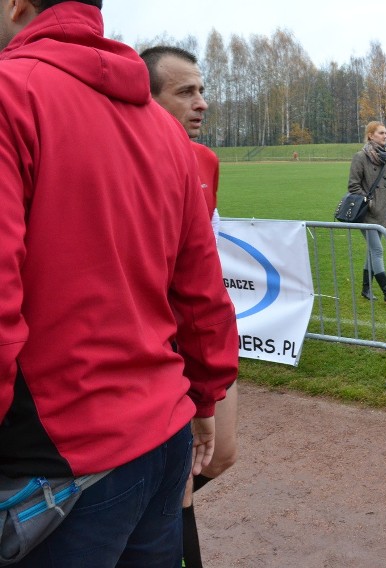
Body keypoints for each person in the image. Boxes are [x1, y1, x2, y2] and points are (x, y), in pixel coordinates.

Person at [0, 2, 239, 567]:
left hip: (61, 462)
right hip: (159, 438)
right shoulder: (163, 129)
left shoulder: (12, 94)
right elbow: (202, 292)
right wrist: (204, 395)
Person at [140, 45, 238, 568]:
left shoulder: (206, 161)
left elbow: (207, 257)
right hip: (160, 341)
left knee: (221, 456)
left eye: (202, 90)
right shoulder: (131, 154)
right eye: (185, 92)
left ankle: (143, 515)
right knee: (175, 476)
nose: (201, 103)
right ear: (148, 96)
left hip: (205, 328)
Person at [347, 120, 386, 304]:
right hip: (367, 214)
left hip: (383, 212)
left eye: (385, 133)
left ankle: (366, 289)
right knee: (377, 250)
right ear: (370, 135)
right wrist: (369, 203)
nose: (385, 136)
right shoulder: (360, 157)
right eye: (380, 133)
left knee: (373, 251)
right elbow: (353, 186)